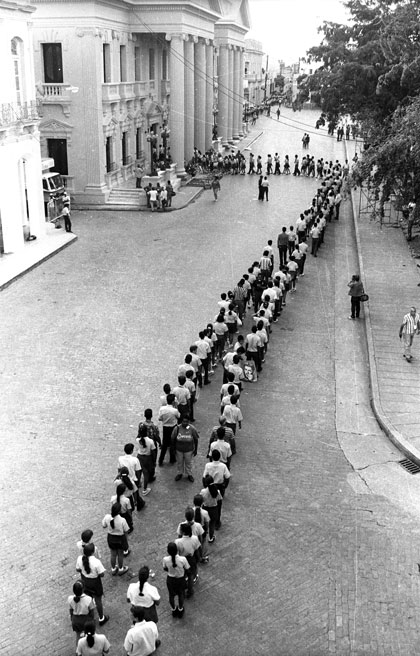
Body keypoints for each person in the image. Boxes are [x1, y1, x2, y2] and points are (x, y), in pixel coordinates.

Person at [76, 543, 109, 626]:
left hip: (85, 581)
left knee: (88, 598)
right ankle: (101, 618)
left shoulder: (80, 559)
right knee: (98, 600)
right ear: (93, 552)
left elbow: (78, 569)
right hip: (95, 583)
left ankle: (90, 617)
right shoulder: (96, 562)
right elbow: (102, 574)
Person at [102, 502, 130, 575]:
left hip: (111, 538)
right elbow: (126, 530)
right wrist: (126, 540)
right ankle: (121, 569)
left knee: (113, 554)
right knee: (120, 554)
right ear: (119, 511)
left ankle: (113, 569)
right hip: (120, 539)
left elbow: (104, 526)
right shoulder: (122, 520)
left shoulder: (107, 517)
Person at [162, 542, 190, 617]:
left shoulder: (165, 559)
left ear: (168, 551)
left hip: (170, 580)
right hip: (180, 579)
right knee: (181, 594)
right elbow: (187, 568)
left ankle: (173, 610)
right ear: (177, 550)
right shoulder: (182, 559)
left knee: (171, 595)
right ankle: (180, 609)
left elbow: (165, 568)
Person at [175, 523, 200, 598]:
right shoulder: (195, 538)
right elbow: (197, 549)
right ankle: (190, 590)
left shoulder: (178, 541)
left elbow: (177, 553)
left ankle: (183, 589)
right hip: (191, 559)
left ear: (183, 532)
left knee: (182, 575)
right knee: (191, 575)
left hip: (182, 560)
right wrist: (198, 558)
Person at [171, 415, 199, 482]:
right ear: (181, 421)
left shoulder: (192, 429)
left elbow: (196, 439)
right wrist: (173, 448)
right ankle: (180, 473)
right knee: (179, 462)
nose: (185, 423)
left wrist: (196, 449)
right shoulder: (177, 428)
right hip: (179, 450)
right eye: (183, 421)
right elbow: (173, 438)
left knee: (188, 463)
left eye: (186, 422)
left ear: (189, 422)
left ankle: (189, 474)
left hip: (189, 450)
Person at [68, 580, 95, 646]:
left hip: (75, 620)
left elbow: (71, 611)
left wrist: (72, 618)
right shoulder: (88, 599)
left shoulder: (70, 598)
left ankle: (78, 651)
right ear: (83, 590)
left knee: (78, 636)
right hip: (86, 620)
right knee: (89, 634)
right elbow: (91, 612)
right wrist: (91, 621)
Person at [157, 394, 179, 466]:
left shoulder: (162, 409)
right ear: (173, 401)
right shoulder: (174, 410)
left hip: (165, 427)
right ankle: (172, 459)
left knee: (165, 444)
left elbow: (160, 418)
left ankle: (161, 460)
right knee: (173, 443)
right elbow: (179, 416)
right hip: (173, 427)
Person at [200, 475, 223, 543]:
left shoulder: (203, 491)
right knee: (212, 524)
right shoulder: (217, 491)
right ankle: (210, 537)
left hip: (205, 508)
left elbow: (201, 499)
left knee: (204, 523)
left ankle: (203, 535)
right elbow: (220, 499)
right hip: (214, 509)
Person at [136, 425, 156, 496]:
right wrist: (154, 461)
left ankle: (138, 484)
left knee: (139, 471)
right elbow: (153, 452)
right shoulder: (150, 441)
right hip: (147, 458)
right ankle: (145, 489)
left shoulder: (138, 440)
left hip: (139, 457)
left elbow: (138, 437)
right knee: (146, 474)